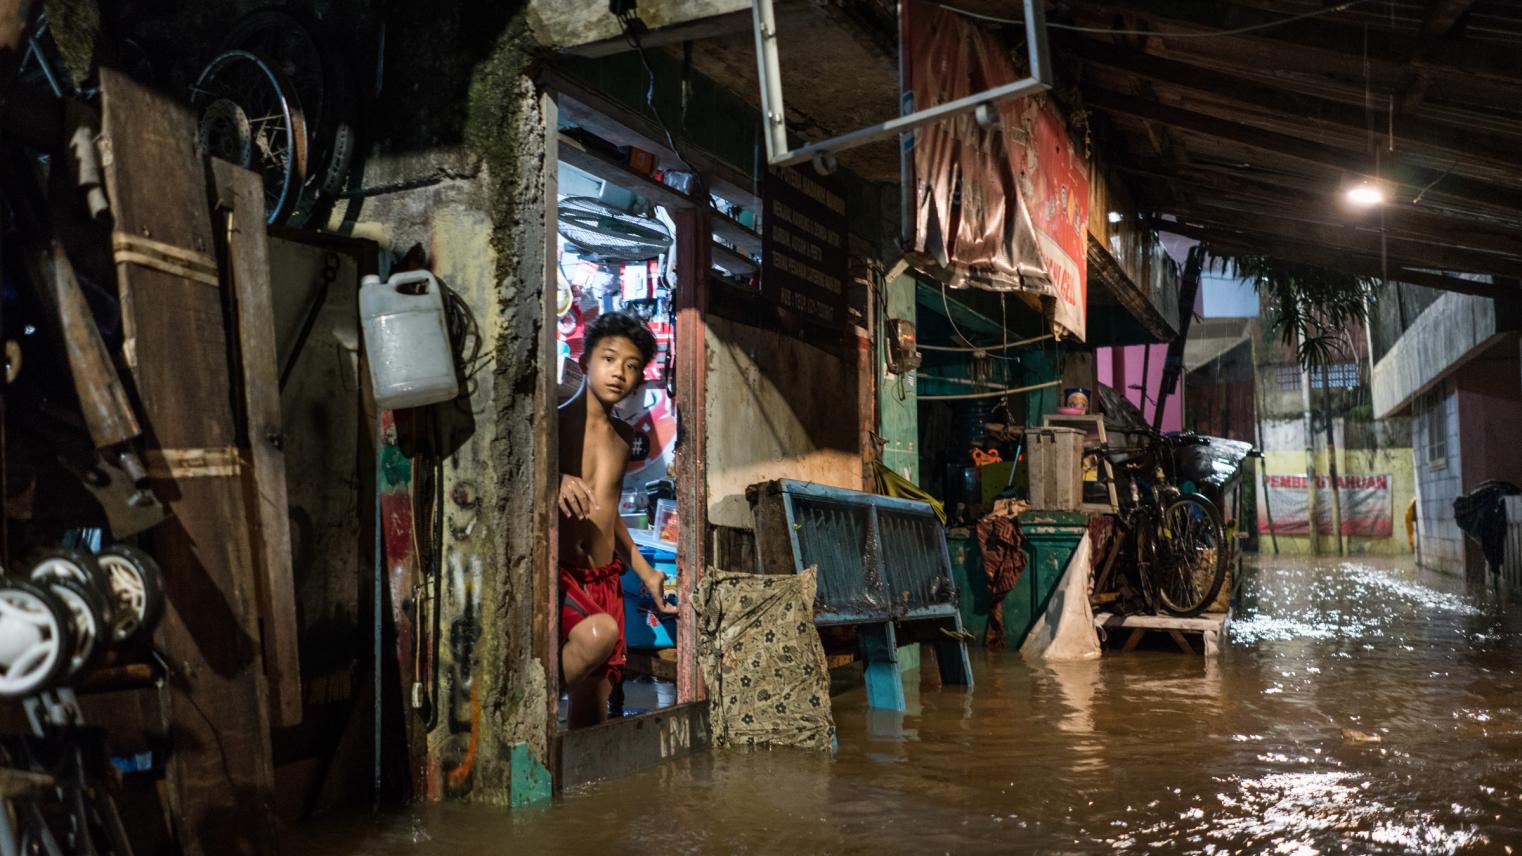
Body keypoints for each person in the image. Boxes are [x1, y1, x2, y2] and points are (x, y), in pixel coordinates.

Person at [557, 311, 678, 728]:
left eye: (631, 366)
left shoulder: (624, 436)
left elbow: (607, 513)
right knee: (599, 634)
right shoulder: (551, 418)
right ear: (585, 360)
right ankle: (523, 698)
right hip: (561, 579)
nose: (619, 373)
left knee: (590, 723)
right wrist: (553, 479)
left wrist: (646, 573)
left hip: (605, 581)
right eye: (609, 359)